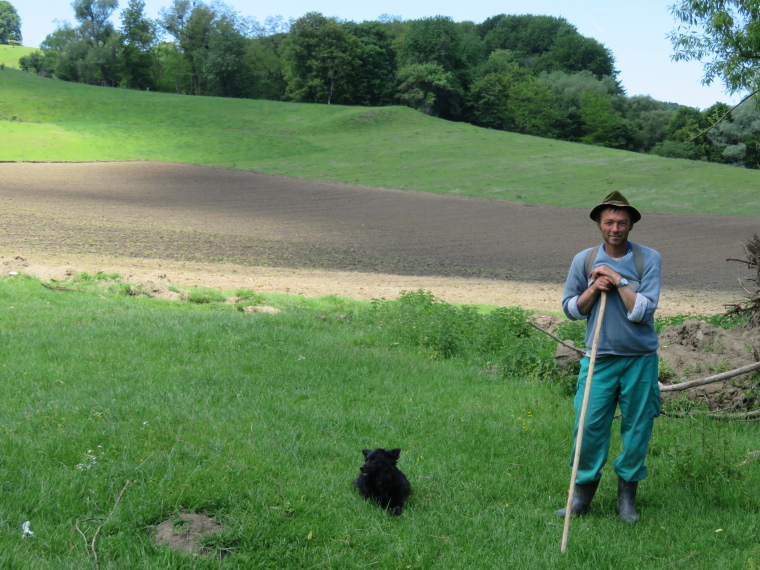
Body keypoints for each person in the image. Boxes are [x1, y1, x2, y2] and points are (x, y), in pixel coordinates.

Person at [556, 191, 662, 523]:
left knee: (636, 429)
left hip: (639, 360)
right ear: (599, 225)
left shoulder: (649, 259)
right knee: (587, 427)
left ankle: (626, 501)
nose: (615, 228)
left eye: (621, 222)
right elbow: (570, 310)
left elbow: (643, 310)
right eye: (609, 222)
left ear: (631, 225)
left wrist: (618, 280)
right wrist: (593, 288)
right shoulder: (583, 260)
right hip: (599, 359)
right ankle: (580, 499)